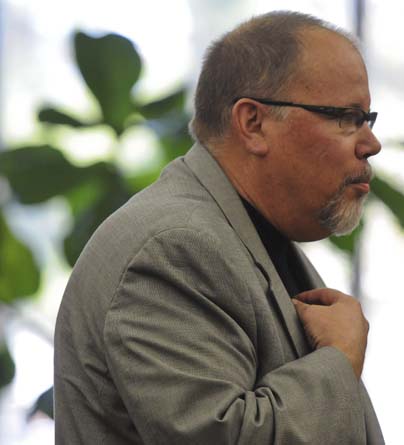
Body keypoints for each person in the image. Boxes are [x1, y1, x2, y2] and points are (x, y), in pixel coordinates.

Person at [54, 10, 384, 445]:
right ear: (253, 123)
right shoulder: (174, 249)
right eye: (345, 117)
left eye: (367, 118)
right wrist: (338, 359)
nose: (371, 144)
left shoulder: (243, 231)